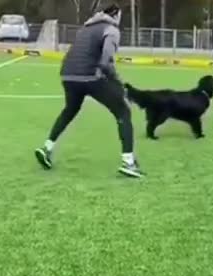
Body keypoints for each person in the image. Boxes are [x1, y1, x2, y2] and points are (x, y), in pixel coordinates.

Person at [34, 1, 143, 178]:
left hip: (68, 75)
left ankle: (46, 147)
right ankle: (128, 162)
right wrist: (118, 83)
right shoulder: (111, 30)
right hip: (91, 76)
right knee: (123, 112)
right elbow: (106, 61)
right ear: (115, 14)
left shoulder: (85, 28)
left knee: (70, 110)